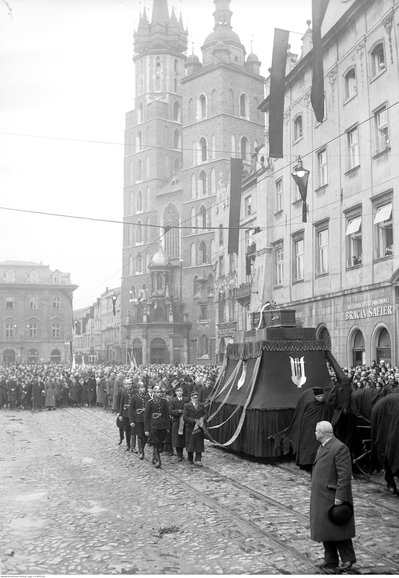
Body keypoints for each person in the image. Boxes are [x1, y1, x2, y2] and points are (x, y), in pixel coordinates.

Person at [310, 421, 356, 573]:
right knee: (326, 529)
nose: (315, 433)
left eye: (316, 431)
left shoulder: (339, 448)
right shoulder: (323, 447)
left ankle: (348, 559)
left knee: (339, 528)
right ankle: (330, 559)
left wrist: (340, 496)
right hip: (322, 496)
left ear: (322, 433)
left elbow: (344, 475)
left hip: (333, 496)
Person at [144, 384, 170, 468]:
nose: (159, 394)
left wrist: (168, 426)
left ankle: (154, 456)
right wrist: (146, 429)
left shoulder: (164, 402)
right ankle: (158, 460)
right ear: (154, 393)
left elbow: (167, 415)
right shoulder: (150, 403)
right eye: (157, 392)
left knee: (160, 443)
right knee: (156, 442)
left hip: (162, 426)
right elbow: (146, 417)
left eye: (160, 392)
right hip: (153, 426)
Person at [183, 390, 207, 467]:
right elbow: (185, 417)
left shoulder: (201, 405)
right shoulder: (187, 406)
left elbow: (206, 414)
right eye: (194, 398)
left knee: (199, 443)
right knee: (190, 443)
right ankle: (190, 458)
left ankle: (198, 459)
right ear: (191, 398)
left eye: (196, 398)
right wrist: (194, 421)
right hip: (190, 427)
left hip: (199, 428)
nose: (195, 399)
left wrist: (203, 419)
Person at [129, 381, 149, 459]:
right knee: (140, 435)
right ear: (138, 389)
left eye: (144, 387)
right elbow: (131, 410)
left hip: (146, 419)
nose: (143, 389)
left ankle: (142, 448)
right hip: (138, 419)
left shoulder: (147, 397)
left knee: (145, 436)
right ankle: (141, 451)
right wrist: (131, 421)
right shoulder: (134, 397)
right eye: (141, 388)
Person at [168, 384, 187, 462]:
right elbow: (170, 411)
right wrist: (178, 411)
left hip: (184, 421)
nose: (179, 392)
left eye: (181, 391)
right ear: (175, 392)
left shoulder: (186, 399)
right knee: (177, 437)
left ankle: (182, 452)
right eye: (178, 391)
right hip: (176, 421)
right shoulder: (173, 400)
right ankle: (179, 454)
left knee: (183, 437)